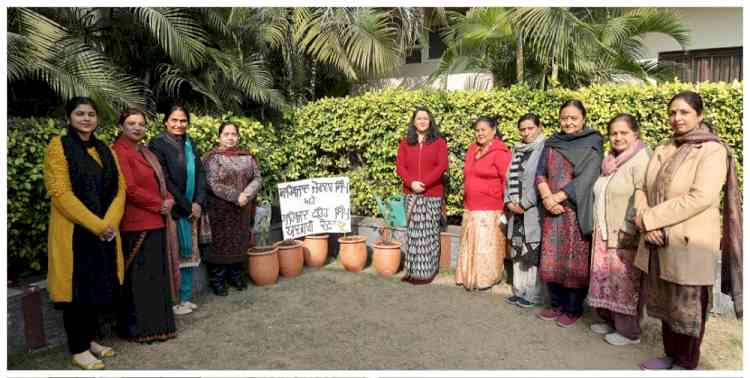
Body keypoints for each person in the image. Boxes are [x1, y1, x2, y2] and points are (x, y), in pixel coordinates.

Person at [634, 91, 742, 370]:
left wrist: (651, 220)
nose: (677, 118)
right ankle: (670, 355)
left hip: (688, 241)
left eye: (684, 112)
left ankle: (687, 363)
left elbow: (701, 197)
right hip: (657, 240)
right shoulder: (664, 148)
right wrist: (644, 218)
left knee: (687, 307)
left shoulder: (712, 150)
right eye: (673, 113)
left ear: (699, 115)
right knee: (667, 305)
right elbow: (642, 188)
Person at [43, 97, 126, 369]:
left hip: (104, 232)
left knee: (97, 287)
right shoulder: (59, 146)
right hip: (76, 233)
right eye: (80, 114)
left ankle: (90, 340)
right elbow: (60, 193)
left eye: (91, 114)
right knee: (76, 291)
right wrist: (98, 225)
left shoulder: (105, 149)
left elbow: (119, 190)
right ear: (69, 118)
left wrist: (110, 222)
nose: (86, 118)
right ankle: (77, 348)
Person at [112, 109, 179, 343]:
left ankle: (160, 328)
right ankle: (141, 329)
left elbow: (160, 182)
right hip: (136, 224)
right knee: (140, 281)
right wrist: (159, 203)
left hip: (156, 220)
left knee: (156, 279)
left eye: (141, 124)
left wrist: (169, 199)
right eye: (131, 123)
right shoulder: (118, 152)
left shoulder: (146, 152)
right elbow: (129, 189)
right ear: (121, 126)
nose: (137, 127)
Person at [535, 100, 603, 328]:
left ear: (583, 118)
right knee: (551, 257)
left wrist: (558, 197)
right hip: (552, 212)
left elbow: (587, 177)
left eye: (574, 117)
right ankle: (556, 304)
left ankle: (573, 309)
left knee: (574, 259)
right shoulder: (552, 142)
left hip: (574, 211)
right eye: (564, 117)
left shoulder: (592, 142)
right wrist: (547, 198)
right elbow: (540, 172)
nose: (568, 122)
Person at [587, 113, 650, 346]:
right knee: (606, 279)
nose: (618, 137)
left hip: (625, 233)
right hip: (604, 231)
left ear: (636, 134)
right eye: (614, 133)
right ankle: (609, 320)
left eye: (624, 133)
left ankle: (629, 332)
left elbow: (643, 196)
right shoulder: (610, 160)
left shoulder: (641, 159)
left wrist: (631, 227)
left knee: (625, 283)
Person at [148, 105, 206, 315]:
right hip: (175, 209)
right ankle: (174, 300)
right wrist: (186, 205)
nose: (179, 125)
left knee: (189, 253)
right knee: (174, 254)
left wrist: (198, 202)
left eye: (183, 121)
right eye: (174, 120)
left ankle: (185, 296)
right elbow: (164, 179)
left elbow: (200, 174)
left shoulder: (191, 142)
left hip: (192, 209)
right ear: (166, 122)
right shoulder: (158, 144)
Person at [202, 121, 262, 295]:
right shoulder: (212, 157)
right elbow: (212, 183)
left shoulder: (247, 156)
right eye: (226, 134)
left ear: (238, 136)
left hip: (242, 210)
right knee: (220, 245)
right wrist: (237, 196)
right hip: (219, 211)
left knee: (239, 243)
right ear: (219, 136)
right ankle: (218, 282)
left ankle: (236, 277)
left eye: (233, 134)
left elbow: (257, 178)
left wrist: (246, 195)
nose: (230, 137)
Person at [455, 117, 512, 290]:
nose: (479, 133)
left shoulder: (501, 152)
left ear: (494, 131)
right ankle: (467, 276)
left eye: (483, 130)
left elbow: (507, 180)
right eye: (477, 130)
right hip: (470, 206)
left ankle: (486, 279)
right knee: (471, 244)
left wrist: (506, 207)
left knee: (485, 247)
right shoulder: (472, 149)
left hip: (490, 208)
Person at [395, 107, 449, 285]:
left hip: (431, 194)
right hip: (411, 193)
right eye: (419, 118)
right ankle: (411, 271)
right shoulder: (405, 143)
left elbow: (441, 166)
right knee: (413, 234)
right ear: (414, 121)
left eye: (426, 118)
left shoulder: (439, 142)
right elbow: (400, 167)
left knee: (428, 234)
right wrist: (411, 183)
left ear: (430, 121)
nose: (422, 121)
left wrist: (423, 183)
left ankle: (426, 273)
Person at [504, 113, 546, 308]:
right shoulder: (517, 150)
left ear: (539, 127)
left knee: (532, 252)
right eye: (523, 129)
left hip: (532, 211)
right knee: (518, 250)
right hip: (516, 209)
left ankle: (533, 294)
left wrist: (525, 204)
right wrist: (509, 202)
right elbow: (507, 179)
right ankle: (519, 291)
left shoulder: (544, 148)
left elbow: (543, 179)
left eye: (530, 128)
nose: (526, 132)